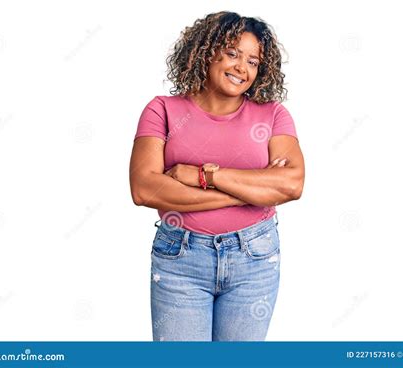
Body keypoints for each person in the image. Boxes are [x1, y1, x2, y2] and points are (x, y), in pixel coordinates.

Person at [129, 11, 305, 341]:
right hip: (180, 258)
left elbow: (292, 184)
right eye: (233, 53)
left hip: (254, 258)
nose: (242, 68)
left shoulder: (273, 114)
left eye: (253, 61)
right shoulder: (163, 110)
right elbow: (144, 189)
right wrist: (250, 189)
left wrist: (203, 176)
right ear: (206, 51)